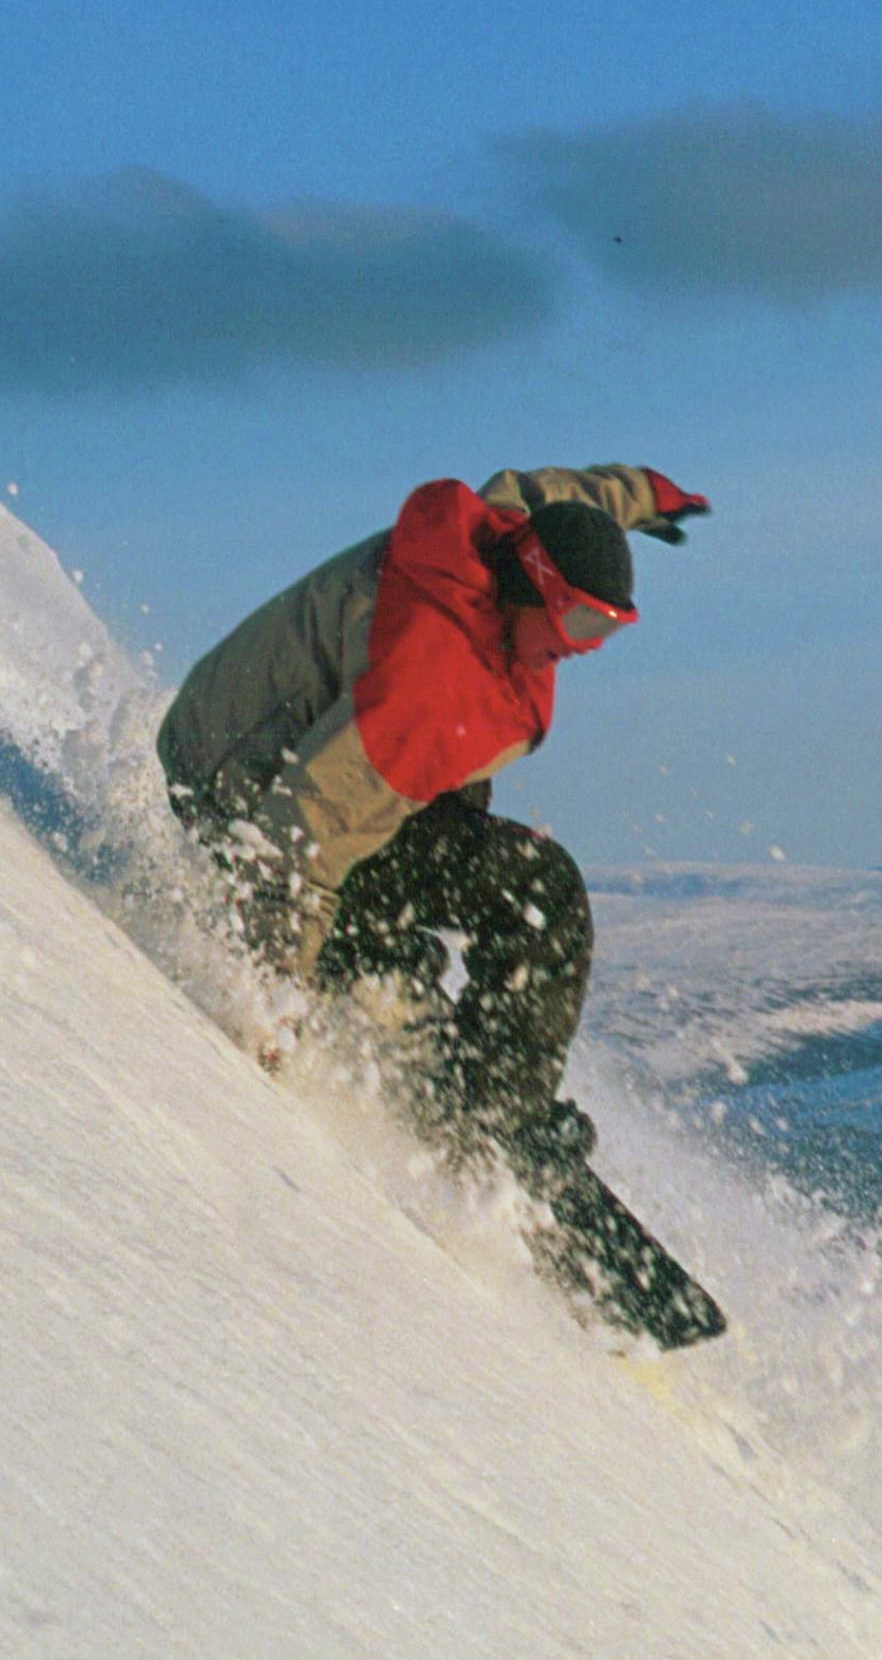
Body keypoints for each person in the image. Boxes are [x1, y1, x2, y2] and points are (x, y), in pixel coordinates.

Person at [156, 463, 725, 1345]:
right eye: (577, 621)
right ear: (532, 585)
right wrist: (268, 1005)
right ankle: (491, 1120)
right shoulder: (433, 685)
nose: (581, 648)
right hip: (241, 791)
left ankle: (403, 989)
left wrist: (644, 496)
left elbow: (553, 495)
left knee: (454, 810)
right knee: (541, 894)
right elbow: (301, 832)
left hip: (250, 739)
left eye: (607, 631)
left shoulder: (498, 541)